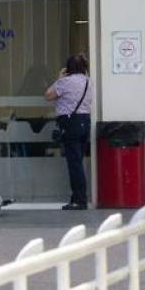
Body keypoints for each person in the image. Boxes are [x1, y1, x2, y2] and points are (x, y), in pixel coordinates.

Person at [45, 54, 94, 211]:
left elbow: (48, 95)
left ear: (68, 68)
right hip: (85, 121)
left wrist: (59, 78)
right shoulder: (88, 81)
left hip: (70, 123)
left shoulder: (65, 82)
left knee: (74, 164)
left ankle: (80, 200)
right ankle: (77, 197)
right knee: (78, 160)